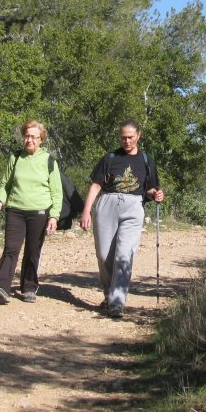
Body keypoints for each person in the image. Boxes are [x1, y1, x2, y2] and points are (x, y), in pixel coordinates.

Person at [79, 120, 165, 318]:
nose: (126, 141)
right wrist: (86, 211)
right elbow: (96, 185)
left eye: (130, 137)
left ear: (139, 136)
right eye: (123, 137)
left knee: (124, 255)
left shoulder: (146, 159)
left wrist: (156, 194)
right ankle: (109, 295)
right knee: (104, 256)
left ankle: (117, 302)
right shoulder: (110, 157)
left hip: (134, 207)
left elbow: (151, 188)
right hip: (107, 204)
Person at [0, 120, 63, 304]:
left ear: (41, 140)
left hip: (39, 211)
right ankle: (1, 287)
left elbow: (56, 192)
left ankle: (29, 288)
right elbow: (5, 184)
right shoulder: (15, 158)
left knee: (32, 251)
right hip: (15, 209)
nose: (29, 140)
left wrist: (54, 216)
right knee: (11, 249)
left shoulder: (49, 161)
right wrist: (0, 200)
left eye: (33, 137)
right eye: (26, 136)